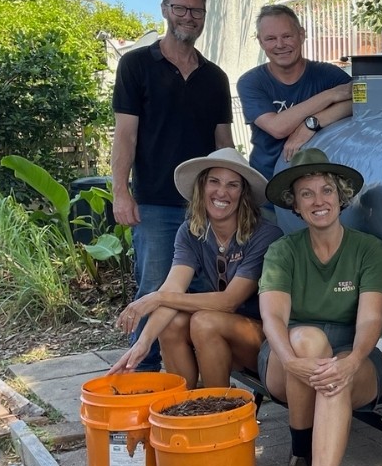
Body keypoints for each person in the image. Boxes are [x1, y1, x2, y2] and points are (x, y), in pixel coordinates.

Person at [257, 147, 382, 466]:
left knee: (335, 372)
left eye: (327, 190)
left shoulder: (369, 249)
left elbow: (371, 319)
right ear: (294, 205)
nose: (319, 200)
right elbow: (273, 315)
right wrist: (289, 358)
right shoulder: (284, 251)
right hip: (287, 360)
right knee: (311, 343)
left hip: (354, 359)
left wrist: (352, 361)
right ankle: (299, 459)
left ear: (341, 196)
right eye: (307, 193)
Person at [112, 0, 234, 371]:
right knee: (154, 291)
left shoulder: (215, 77)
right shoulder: (136, 65)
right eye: (180, 8)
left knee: (202, 292)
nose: (188, 17)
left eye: (196, 11)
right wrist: (121, 192)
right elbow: (125, 136)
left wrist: (231, 195)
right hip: (156, 203)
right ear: (165, 10)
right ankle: (141, 379)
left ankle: (193, 383)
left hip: (207, 206)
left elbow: (223, 142)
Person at [108, 149, 283, 389]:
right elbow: (174, 287)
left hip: (264, 343)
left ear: (243, 194)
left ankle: (216, 411)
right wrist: (143, 343)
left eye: (232, 185)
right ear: (201, 187)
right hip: (216, 337)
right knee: (172, 322)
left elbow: (229, 302)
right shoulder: (191, 231)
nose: (222, 192)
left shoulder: (265, 234)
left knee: (204, 321)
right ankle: (184, 404)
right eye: (214, 182)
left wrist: (156, 297)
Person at [236, 4, 354, 185]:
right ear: (261, 43)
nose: (280, 45)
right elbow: (277, 128)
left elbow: (363, 99)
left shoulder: (327, 74)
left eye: (287, 36)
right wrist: (330, 95)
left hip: (319, 188)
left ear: (301, 35)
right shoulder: (251, 82)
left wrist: (313, 123)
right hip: (267, 189)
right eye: (270, 38)